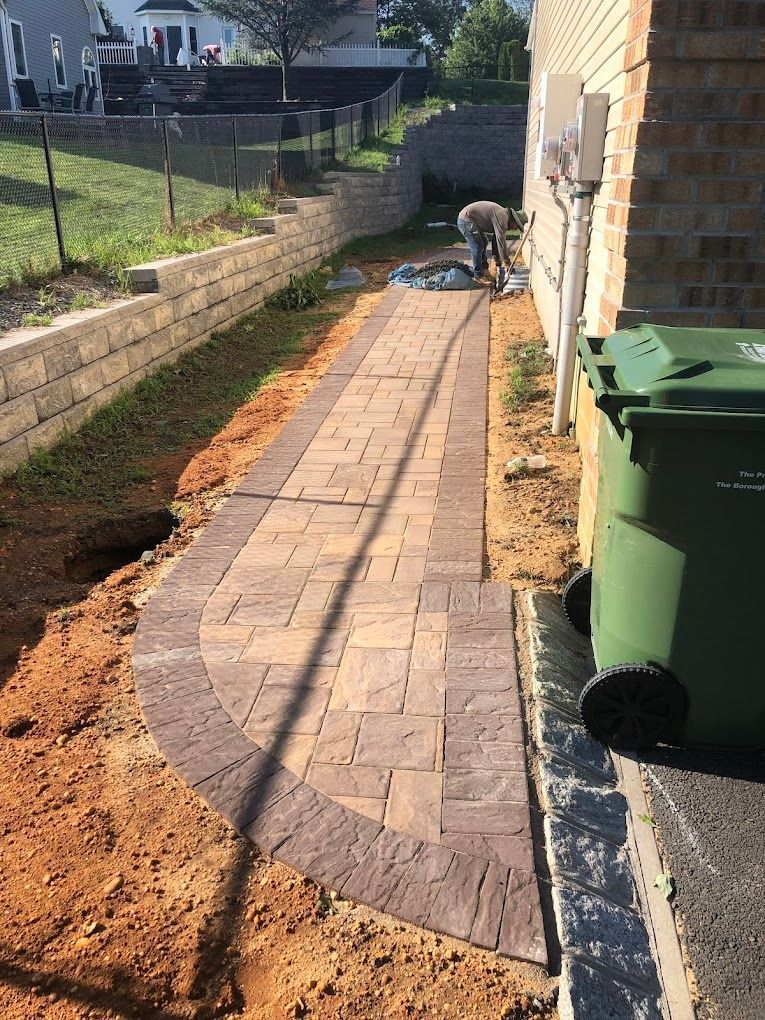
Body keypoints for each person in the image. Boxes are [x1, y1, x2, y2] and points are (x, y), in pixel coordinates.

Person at [457, 200, 511, 278]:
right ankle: (478, 275)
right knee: (477, 246)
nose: (515, 228)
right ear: (514, 221)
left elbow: (495, 241)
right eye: (517, 226)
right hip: (466, 220)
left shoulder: (502, 215)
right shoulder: (502, 218)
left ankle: (484, 269)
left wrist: (497, 262)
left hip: (471, 220)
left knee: (484, 242)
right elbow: (501, 242)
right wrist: (507, 262)